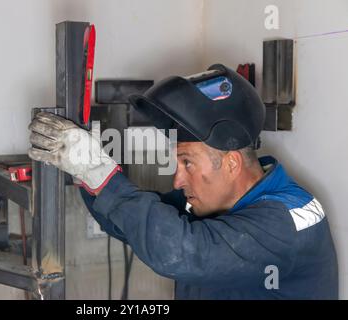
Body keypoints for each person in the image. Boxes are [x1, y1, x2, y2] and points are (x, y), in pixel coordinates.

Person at [28, 64, 338, 299]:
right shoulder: (215, 203)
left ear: (231, 163)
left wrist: (98, 170)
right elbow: (130, 222)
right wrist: (85, 170)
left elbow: (180, 250)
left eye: (187, 163)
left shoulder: (287, 221)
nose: (177, 180)